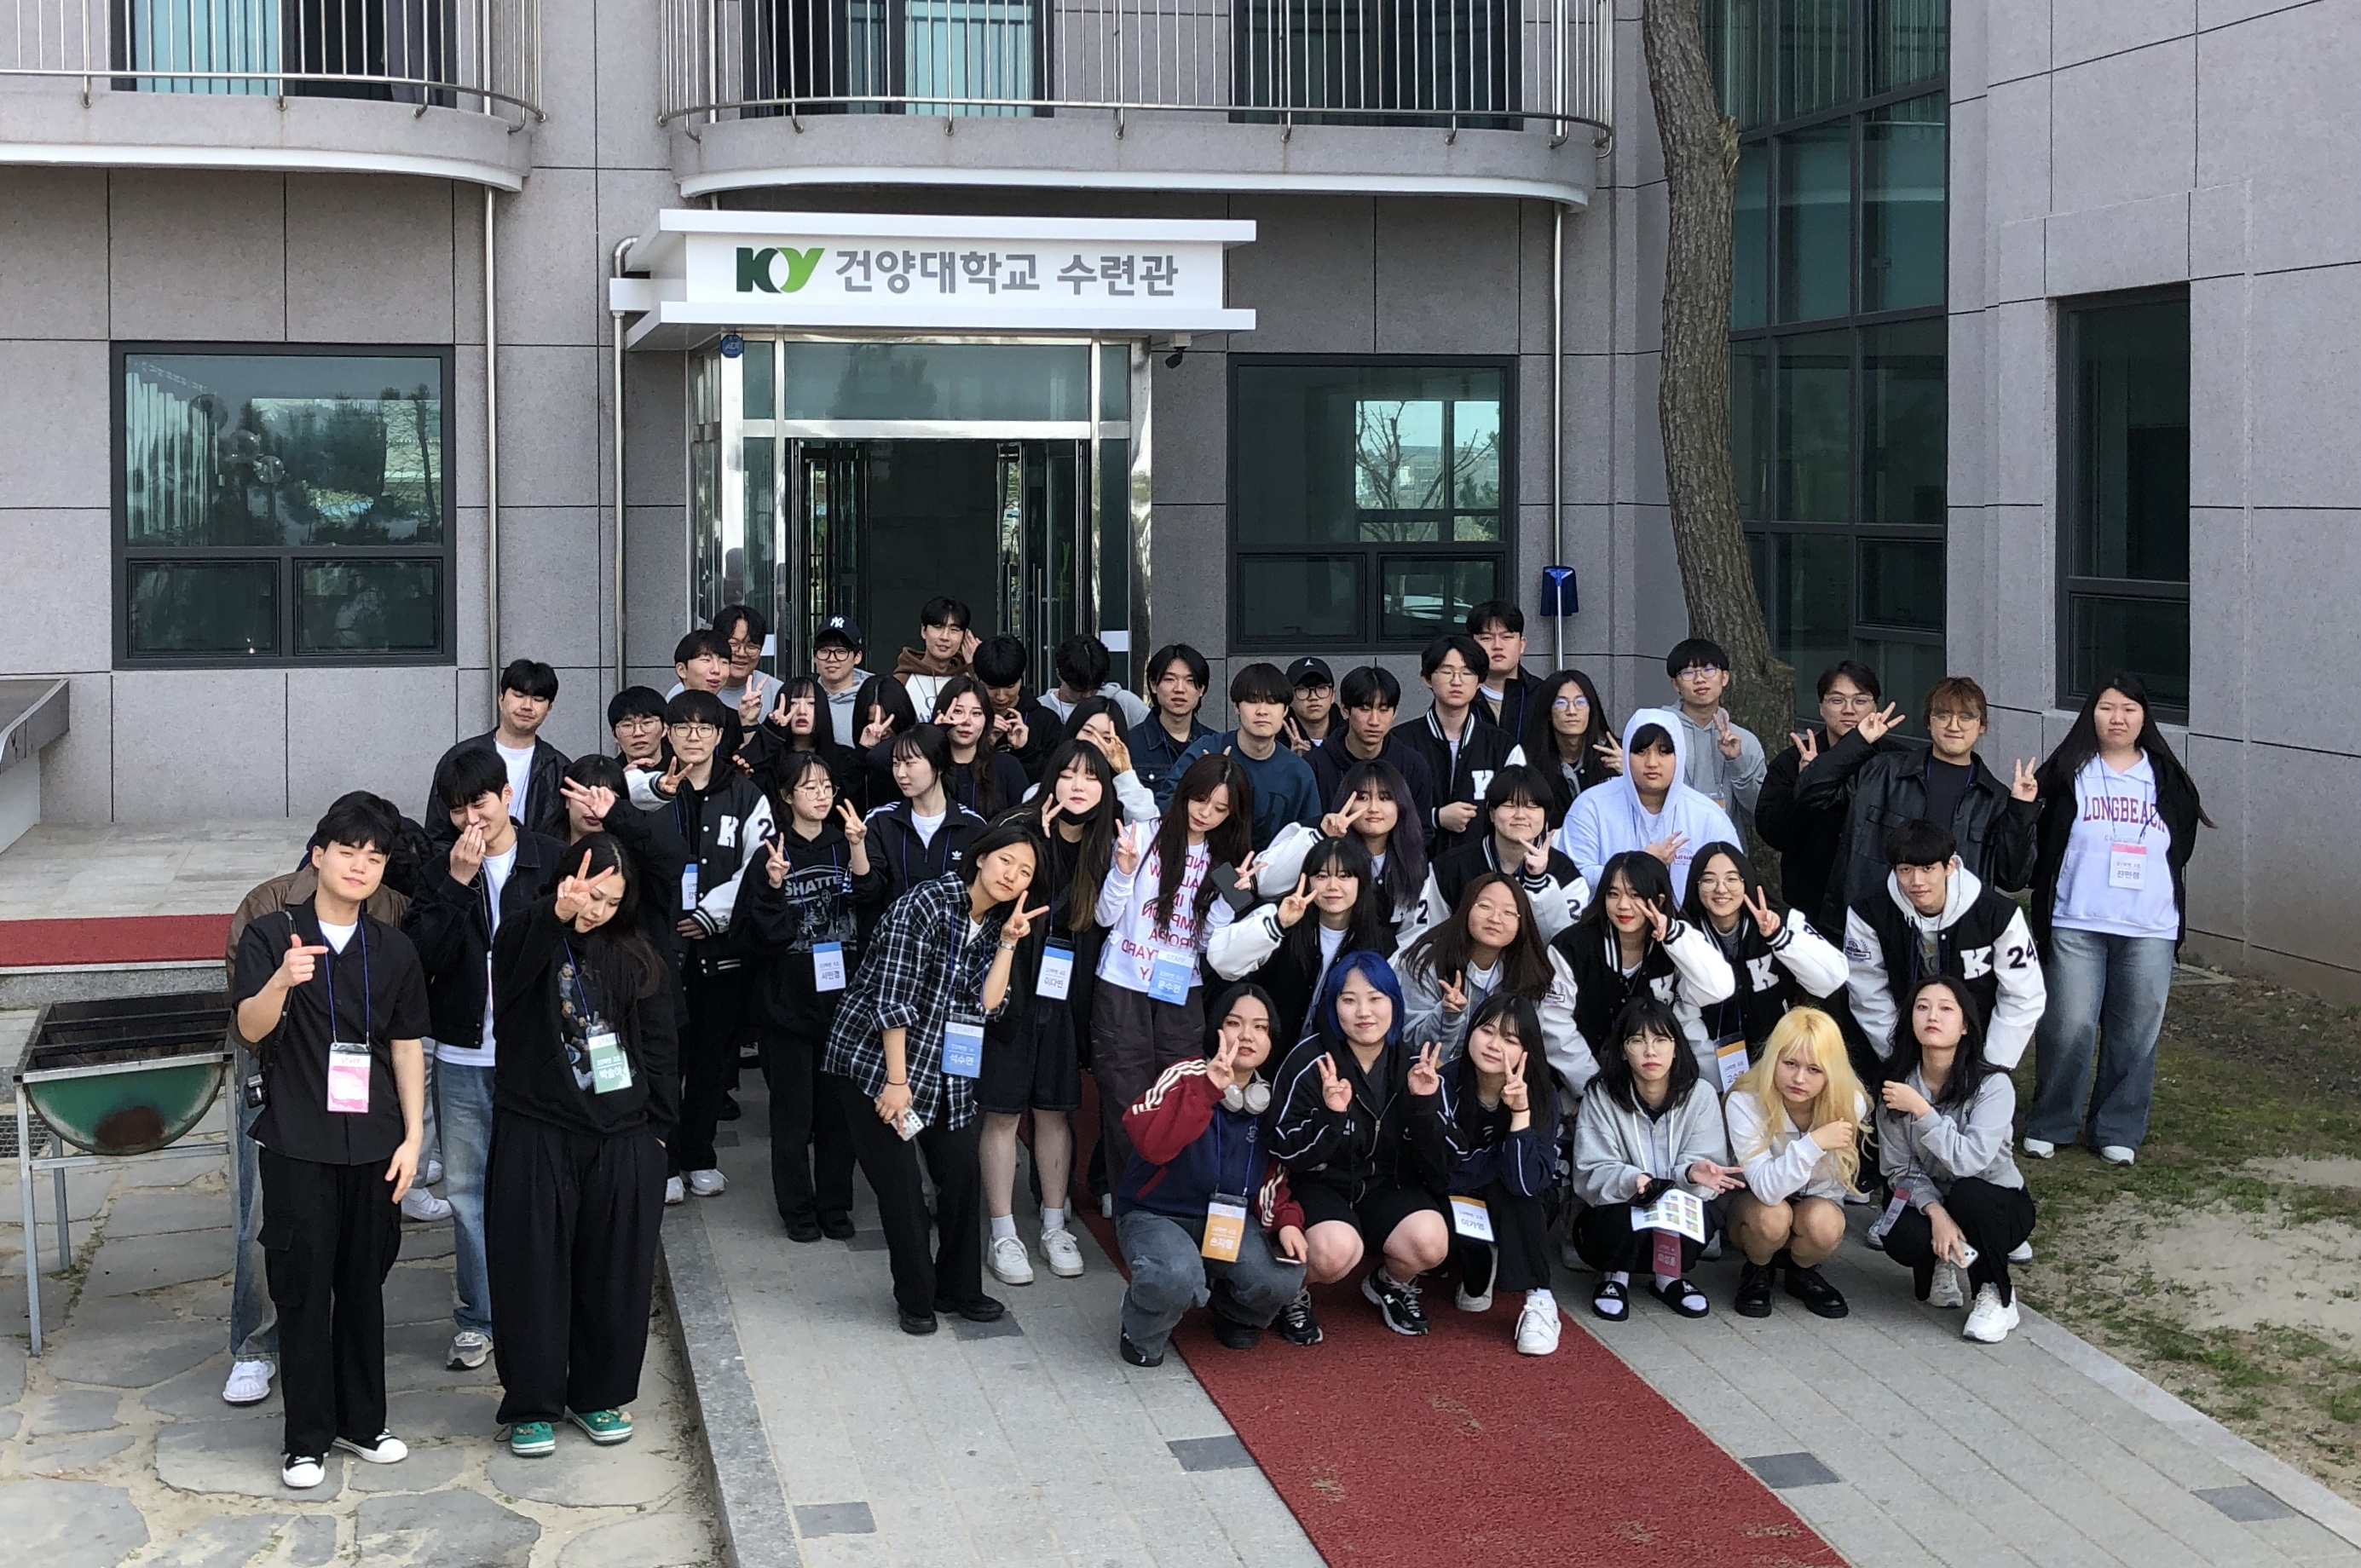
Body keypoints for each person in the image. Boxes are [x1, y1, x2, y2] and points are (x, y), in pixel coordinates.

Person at [230, 794, 430, 1490]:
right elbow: (250, 1029)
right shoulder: (273, 935)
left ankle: (364, 1423)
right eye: (348, 852)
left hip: (374, 1140)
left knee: (364, 1284)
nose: (360, 866)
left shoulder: (393, 948)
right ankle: (306, 1439)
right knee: (304, 1288)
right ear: (318, 856)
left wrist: (413, 1136)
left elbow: (406, 1046)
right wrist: (282, 982)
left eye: (374, 857)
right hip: (299, 1139)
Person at [483, 838, 676, 1456]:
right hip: (536, 1129)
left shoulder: (636, 954)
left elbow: (660, 1047)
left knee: (615, 1272)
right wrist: (557, 913)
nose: (598, 910)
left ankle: (599, 1394)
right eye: (591, 895)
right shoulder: (528, 935)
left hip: (622, 1136)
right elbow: (511, 962)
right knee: (532, 1269)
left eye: (611, 901)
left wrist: (658, 1132)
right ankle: (532, 1403)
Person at [824, 824, 1047, 1335]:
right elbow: (893, 1001)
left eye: (1024, 872)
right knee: (901, 1188)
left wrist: (1008, 944)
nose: (1011, 876)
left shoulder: (996, 924)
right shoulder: (925, 903)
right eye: (1006, 861)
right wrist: (896, 1083)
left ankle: (959, 1289)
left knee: (962, 1172)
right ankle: (917, 1297)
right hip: (877, 1066)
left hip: (944, 1071)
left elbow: (988, 1007)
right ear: (981, 857)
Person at [403, 747, 568, 1372]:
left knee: (541, 1187)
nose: (471, 819)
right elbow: (424, 958)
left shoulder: (549, 858)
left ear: (506, 796)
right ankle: (480, 1317)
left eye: (480, 803)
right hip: (463, 1052)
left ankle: (542, 1307)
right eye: (457, 809)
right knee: (468, 1191)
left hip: (537, 1052)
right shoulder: (438, 871)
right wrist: (456, 884)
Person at [2023, 672, 2211, 1166]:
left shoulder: (2165, 777)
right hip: (2076, 919)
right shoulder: (2069, 770)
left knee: (2136, 1032)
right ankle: (2051, 1122)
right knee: (2069, 1026)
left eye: (2129, 709)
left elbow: (2181, 844)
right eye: (2107, 708)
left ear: (2144, 717)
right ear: (2091, 714)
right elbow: (2041, 839)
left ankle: (2117, 1128)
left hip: (2149, 926)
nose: (2117, 719)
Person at [979, 740, 1118, 1286]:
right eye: (1069, 774)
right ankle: (1003, 1231)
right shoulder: (1020, 829)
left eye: (1092, 777)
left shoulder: (1108, 847)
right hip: (1010, 987)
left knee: (1055, 1111)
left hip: (1065, 999)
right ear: (1051, 779)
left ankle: (1055, 1224)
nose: (1078, 786)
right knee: (1002, 1113)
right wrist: (1034, 835)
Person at [1112, 983, 1310, 1365]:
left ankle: (1233, 1313)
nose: (1247, 1035)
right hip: (1155, 1214)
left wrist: (1286, 1221)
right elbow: (1150, 1145)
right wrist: (1205, 1091)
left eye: (1260, 1027)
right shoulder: (1184, 1075)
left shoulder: (1267, 1099)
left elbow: (1273, 1177)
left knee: (1284, 1275)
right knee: (1173, 1276)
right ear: (1216, 1029)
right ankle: (1142, 1330)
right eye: (1235, 1023)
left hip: (1228, 1220)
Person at [633, 689, 773, 1203]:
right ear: (668, 733)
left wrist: (712, 915)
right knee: (664, 1059)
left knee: (713, 1060)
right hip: (659, 948)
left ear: (719, 735)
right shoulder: (649, 791)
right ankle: (665, 1159)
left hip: (720, 949)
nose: (694, 737)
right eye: (683, 727)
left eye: (705, 728)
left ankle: (700, 1154)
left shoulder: (745, 794)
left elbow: (759, 861)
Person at [1266, 954, 1451, 1341]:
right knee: (1335, 1251)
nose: (1364, 1012)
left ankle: (1389, 1283)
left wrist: (1424, 1105)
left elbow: (1443, 1163)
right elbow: (1283, 1150)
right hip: (1319, 1185)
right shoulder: (1310, 1061)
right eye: (1349, 1000)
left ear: (1394, 1003)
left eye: (1376, 998)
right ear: (1334, 1006)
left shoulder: (1416, 1062)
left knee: (1431, 1242)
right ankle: (1290, 1291)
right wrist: (1331, 1118)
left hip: (1384, 1183)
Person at [742, 753, 884, 1241]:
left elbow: (870, 900)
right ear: (787, 796)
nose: (821, 796)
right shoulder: (771, 851)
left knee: (837, 1114)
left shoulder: (848, 843)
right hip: (786, 1007)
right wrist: (773, 885)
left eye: (826, 787)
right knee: (792, 1117)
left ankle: (835, 1205)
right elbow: (756, 934)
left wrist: (858, 848)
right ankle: (798, 1210)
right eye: (809, 788)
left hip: (844, 1006)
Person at [1091, 753, 1253, 1174]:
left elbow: (1207, 944)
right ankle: (1125, 1191)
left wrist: (1230, 900)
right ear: (1184, 793)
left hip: (1182, 989)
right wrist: (1123, 872)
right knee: (1124, 1094)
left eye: (1220, 808)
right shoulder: (1144, 834)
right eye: (1201, 799)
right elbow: (1104, 917)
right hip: (1122, 981)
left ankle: (1167, 1191)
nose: (1206, 813)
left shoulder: (1224, 861)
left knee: (1180, 1090)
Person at [1802, 675, 2039, 937]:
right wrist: (1857, 742)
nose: (1954, 726)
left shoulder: (1995, 798)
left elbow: (2013, 878)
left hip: (1954, 933)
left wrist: (2021, 809)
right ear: (1929, 721)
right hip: (1872, 926)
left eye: (1966, 717)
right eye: (1943, 715)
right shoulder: (1883, 771)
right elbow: (1811, 795)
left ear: (1981, 726)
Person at [1875, 977, 2037, 1343]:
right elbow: (1898, 1168)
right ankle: (1940, 1261)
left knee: (1969, 1194)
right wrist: (1936, 1213)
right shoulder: (1897, 1084)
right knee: (1900, 1232)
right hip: (1935, 1200)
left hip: (1996, 1202)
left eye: (1946, 1008)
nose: (1932, 1015)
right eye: (1922, 1007)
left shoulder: (1993, 1085)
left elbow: (1971, 1161)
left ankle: (1998, 1294)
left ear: (1965, 1025)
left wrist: (1923, 1111)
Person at [1568, 996, 1743, 1323]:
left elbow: (1707, 1171)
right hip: (1621, 1207)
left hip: (1676, 1204)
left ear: (1676, 1048)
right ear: (1623, 1050)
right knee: (1617, 1219)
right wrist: (1630, 1180)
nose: (1651, 1051)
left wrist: (1690, 1173)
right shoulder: (1601, 1094)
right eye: (1638, 1041)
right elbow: (1589, 1170)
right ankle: (1615, 1276)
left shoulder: (1701, 1095)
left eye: (1661, 1040)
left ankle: (1669, 1279)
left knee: (1700, 1215)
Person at [1842, 820, 2044, 1072]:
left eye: (1928, 868)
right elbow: (1867, 990)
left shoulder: (1998, 915)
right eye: (1905, 870)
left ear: (1950, 866)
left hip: (1979, 1044)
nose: (1917, 881)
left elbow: (2023, 995)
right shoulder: (1868, 911)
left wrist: (1992, 1067)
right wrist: (1900, 1059)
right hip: (1900, 1046)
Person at [1436, 993, 1562, 1354]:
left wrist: (1520, 1116)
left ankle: (1540, 1300)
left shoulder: (1541, 1095)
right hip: (1455, 1199)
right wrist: (1493, 1161)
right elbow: (1442, 1169)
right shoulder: (1445, 1082)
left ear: (1527, 1051)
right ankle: (1478, 1262)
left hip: (1515, 1200)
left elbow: (1526, 1181)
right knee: (1445, 1199)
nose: (1494, 1045)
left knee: (1518, 1192)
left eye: (1509, 1039)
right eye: (1487, 1031)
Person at [1723, 1008, 1865, 1320]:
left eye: (1814, 1069)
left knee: (1826, 1225)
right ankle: (1757, 1269)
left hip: (1814, 1201)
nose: (1799, 1078)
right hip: (1756, 1205)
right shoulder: (1745, 1101)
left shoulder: (1849, 1101)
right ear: (1773, 1059)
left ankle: (1801, 1272)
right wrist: (1813, 1144)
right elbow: (1766, 1190)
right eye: (1789, 1064)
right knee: (1773, 1217)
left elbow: (1831, 1187)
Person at [1394, 873, 1591, 1093]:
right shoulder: (1427, 960)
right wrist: (1447, 1016)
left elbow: (1528, 1045)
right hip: (1430, 1079)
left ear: (1521, 922)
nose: (1495, 919)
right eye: (1485, 906)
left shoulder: (1528, 970)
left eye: (1508, 912)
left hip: (1499, 1085)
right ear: (1466, 908)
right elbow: (1412, 1040)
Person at [1679, 842, 1848, 1090]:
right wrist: (1718, 1080)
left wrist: (1778, 938)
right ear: (1695, 885)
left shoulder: (1783, 920)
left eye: (1732, 879)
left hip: (1788, 1063)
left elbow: (1832, 978)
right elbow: (1685, 1015)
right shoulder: (1684, 937)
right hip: (1715, 1070)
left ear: (1747, 881)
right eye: (1708, 880)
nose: (1721, 889)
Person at [1556, 850, 1735, 1081]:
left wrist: (1673, 935)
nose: (1623, 905)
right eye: (1613, 894)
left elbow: (1721, 987)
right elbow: (1556, 1026)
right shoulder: (1572, 946)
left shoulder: (1677, 943)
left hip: (1662, 1078)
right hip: (1585, 1079)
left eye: (1635, 895)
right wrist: (1592, 1085)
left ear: (1659, 900)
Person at [1208, 833, 1394, 1050]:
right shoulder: (1279, 918)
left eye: (1344, 876)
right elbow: (1222, 963)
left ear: (1361, 883)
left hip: (1334, 1058)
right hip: (1264, 1051)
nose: (1332, 886)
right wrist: (1279, 925)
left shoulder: (1381, 943)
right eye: (1322, 876)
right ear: (1307, 881)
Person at [1754, 660, 1906, 926]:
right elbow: (1773, 833)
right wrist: (1806, 782)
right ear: (1821, 707)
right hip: (1811, 904)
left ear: (1875, 707)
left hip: (1883, 905)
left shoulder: (1897, 761)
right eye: (1837, 700)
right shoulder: (1793, 760)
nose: (1849, 710)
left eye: (1860, 700)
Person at [1556, 708, 1740, 896]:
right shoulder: (1590, 806)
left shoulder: (1708, 815)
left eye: (1664, 752)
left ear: (1680, 755)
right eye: (1641, 751)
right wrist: (1639, 867)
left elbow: (1734, 880)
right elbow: (1571, 878)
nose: (1652, 762)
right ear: (1626, 754)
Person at [1414, 764, 1588, 942]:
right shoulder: (1449, 867)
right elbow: (1426, 935)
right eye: (1510, 805)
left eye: (1532, 806)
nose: (1520, 815)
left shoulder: (1565, 872)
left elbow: (1565, 942)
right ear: (1491, 813)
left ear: (1545, 815)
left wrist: (1538, 882)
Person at [1259, 759, 1429, 930]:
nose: (1373, 808)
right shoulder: (1312, 832)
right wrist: (1320, 837)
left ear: (1401, 805)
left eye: (1385, 798)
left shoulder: (1412, 855)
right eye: (1363, 798)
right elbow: (1265, 885)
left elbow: (1413, 930)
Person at [1165, 664, 1320, 850]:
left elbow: (1309, 840)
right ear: (1237, 707)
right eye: (1253, 701)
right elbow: (1164, 806)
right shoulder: (1208, 750)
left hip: (1271, 867)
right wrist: (1207, 779)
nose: (1262, 711)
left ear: (1285, 710)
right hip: (1206, 862)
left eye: (1272, 702)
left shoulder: (1299, 772)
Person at [1394, 634, 1515, 857]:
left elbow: (1519, 808)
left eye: (1467, 672)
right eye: (1447, 671)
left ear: (1480, 682)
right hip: (1415, 865)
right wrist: (1436, 817)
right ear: (1427, 679)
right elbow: (1382, 808)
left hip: (1483, 867)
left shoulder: (1502, 745)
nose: (1457, 681)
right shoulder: (1399, 742)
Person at [424, 659, 568, 841]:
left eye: (538, 699)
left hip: (537, 858)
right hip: (468, 856)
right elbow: (437, 833)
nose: (527, 706)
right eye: (518, 695)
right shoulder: (460, 757)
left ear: (549, 709)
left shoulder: (559, 767)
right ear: (501, 699)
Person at [863, 724, 989, 909]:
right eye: (896, 763)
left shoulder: (973, 826)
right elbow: (865, 892)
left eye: (910, 763)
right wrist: (856, 845)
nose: (900, 773)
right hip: (894, 926)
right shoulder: (879, 821)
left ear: (939, 765)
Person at [1305, 666, 1440, 833]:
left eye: (1384, 710)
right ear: (1345, 710)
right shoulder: (1315, 766)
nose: (1374, 721)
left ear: (1394, 713)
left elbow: (1421, 832)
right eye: (1365, 709)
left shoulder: (1413, 766)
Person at [1662, 637, 1766, 824]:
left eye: (1709, 670)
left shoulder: (1744, 741)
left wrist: (1736, 761)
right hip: (1670, 840)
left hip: (1725, 842)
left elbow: (1761, 811)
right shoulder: (1659, 734)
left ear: (1724, 677)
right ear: (1675, 684)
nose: (1700, 679)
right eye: (1688, 673)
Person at [1516, 669, 1619, 827]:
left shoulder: (1617, 755)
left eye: (1580, 702)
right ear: (1548, 712)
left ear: (1591, 709)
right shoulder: (1529, 762)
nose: (1571, 711)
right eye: (1561, 703)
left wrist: (1631, 774)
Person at [925, 675, 1030, 819]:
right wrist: (935, 735)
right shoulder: (926, 766)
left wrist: (1024, 750)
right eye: (958, 711)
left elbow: (1026, 817)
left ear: (987, 719)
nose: (967, 721)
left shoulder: (1006, 766)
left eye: (976, 713)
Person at [1129, 643, 1213, 800]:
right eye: (1170, 679)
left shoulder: (1214, 745)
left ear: (1201, 690)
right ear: (1153, 685)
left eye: (1190, 681)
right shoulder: (1130, 744)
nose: (1179, 689)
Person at [1055, 696, 1160, 821]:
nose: (1094, 743)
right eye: (1088, 732)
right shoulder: (1044, 787)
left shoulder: (1123, 793)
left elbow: (1148, 825)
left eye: (1106, 738)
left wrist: (1125, 773)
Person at [971, 633, 1058, 780]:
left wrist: (1026, 749)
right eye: (991, 688)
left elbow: (1053, 778)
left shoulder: (1046, 722)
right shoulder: (965, 719)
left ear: (1021, 679)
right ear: (978, 680)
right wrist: (984, 744)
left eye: (1010, 686)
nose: (1001, 696)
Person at [1041, 632, 1151, 729]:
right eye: (1079, 689)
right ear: (1059, 675)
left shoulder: (1124, 703)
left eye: (1094, 689)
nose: (1087, 696)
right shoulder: (1041, 710)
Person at [847, 673, 921, 814]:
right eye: (871, 722)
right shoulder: (851, 763)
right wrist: (862, 753)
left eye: (887, 721)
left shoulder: (922, 760)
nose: (880, 730)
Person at [1466, 600, 1542, 735]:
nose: (1497, 646)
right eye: (1486, 638)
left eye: (1507, 637)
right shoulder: (1460, 694)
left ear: (1522, 645)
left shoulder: (1543, 694)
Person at [894, 595, 977, 718]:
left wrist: (974, 667)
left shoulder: (968, 677)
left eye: (954, 630)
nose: (945, 637)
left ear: (964, 636)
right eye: (938, 627)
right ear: (924, 631)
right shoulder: (902, 680)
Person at [811, 615, 875, 747]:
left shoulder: (874, 697)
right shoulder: (805, 699)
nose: (831, 659)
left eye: (841, 651)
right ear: (815, 657)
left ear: (857, 657)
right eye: (824, 651)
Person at [710, 603, 777, 715]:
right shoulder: (687, 691)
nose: (741, 653)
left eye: (751, 646)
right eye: (733, 644)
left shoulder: (777, 693)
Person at [607, 686, 671, 771]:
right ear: (614, 735)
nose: (638, 733)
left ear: (665, 728)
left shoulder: (683, 769)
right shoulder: (607, 776)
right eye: (627, 725)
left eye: (647, 723)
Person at [1283, 657, 1338, 753]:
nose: (1313, 697)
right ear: (1289, 698)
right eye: (1302, 689)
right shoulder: (1275, 743)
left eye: (1321, 688)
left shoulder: (1349, 736)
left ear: (1333, 695)